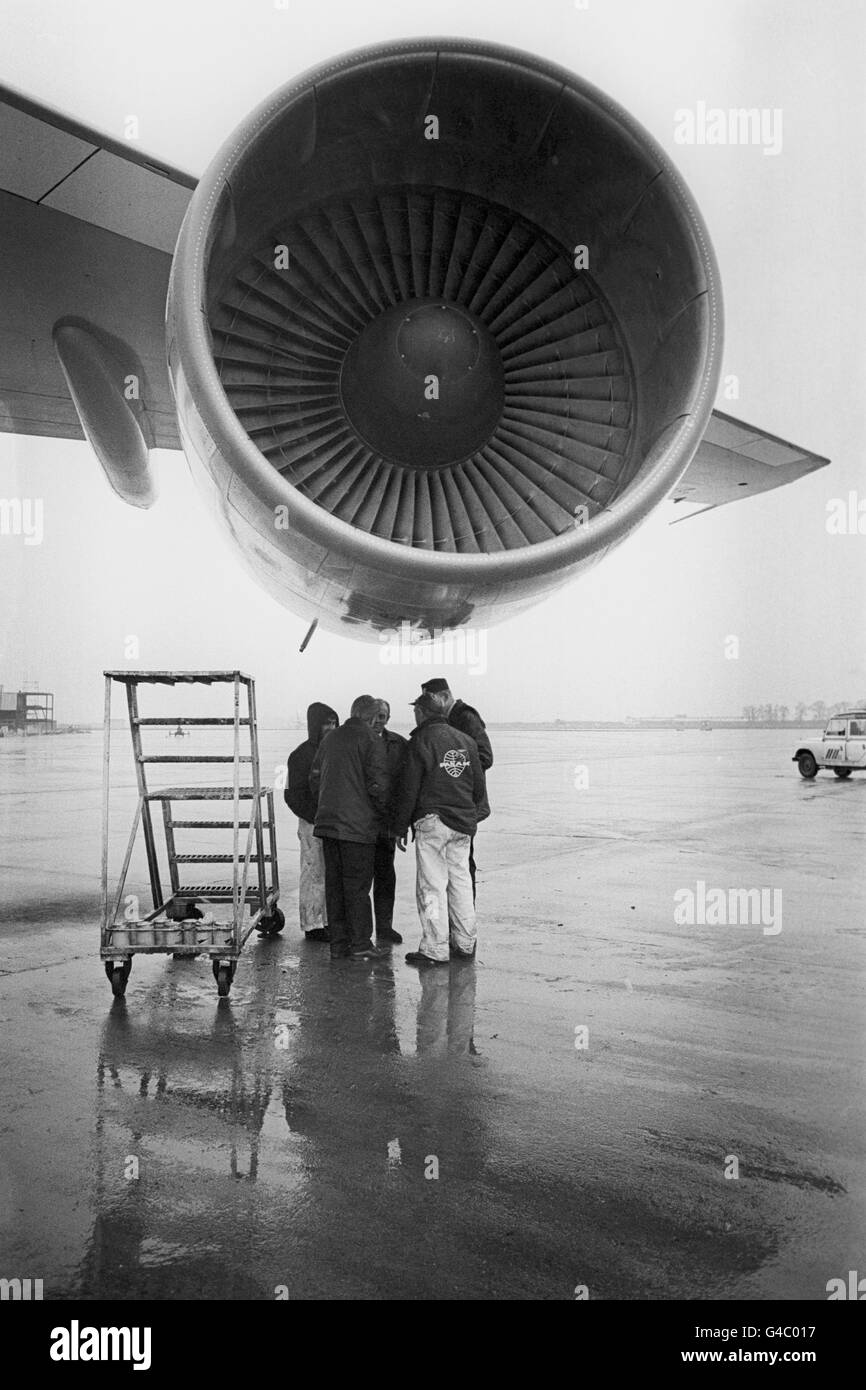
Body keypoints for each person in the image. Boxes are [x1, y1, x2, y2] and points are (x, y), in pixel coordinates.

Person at [393, 692, 486, 966]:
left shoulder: (421, 741)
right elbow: (479, 788)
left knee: (432, 886)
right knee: (461, 884)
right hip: (463, 824)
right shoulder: (466, 741)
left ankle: (434, 948)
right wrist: (471, 816)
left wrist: (400, 826)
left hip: (433, 822)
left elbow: (409, 789)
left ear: (421, 712)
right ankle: (465, 943)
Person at [310, 694, 390, 961]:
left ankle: (338, 944)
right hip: (357, 828)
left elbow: (315, 777)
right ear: (370, 717)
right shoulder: (371, 740)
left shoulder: (330, 739)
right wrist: (383, 816)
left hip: (328, 826)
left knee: (334, 885)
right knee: (357, 887)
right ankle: (360, 944)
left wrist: (324, 807)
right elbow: (378, 786)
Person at [418, 677, 492, 902]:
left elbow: (485, 756)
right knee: (453, 869)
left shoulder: (464, 716)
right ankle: (459, 923)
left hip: (461, 804)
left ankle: (464, 920)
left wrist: (453, 771)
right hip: (453, 804)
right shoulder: (451, 718)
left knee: (461, 869)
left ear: (443, 696)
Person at [283, 702, 338, 942]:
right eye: (326, 722)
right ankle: (312, 924)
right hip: (311, 824)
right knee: (313, 872)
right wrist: (314, 816)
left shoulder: (336, 750)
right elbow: (291, 794)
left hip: (333, 822)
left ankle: (325, 920)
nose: (330, 727)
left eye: (334, 722)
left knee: (328, 874)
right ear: (314, 725)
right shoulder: (300, 755)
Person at [370, 699, 407, 945]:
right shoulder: (355, 741)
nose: (378, 720)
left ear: (388, 718)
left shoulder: (399, 745)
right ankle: (359, 933)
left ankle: (385, 927)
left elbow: (406, 785)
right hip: (360, 823)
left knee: (385, 879)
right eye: (375, 715)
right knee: (359, 882)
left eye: (383, 715)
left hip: (385, 825)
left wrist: (401, 823)